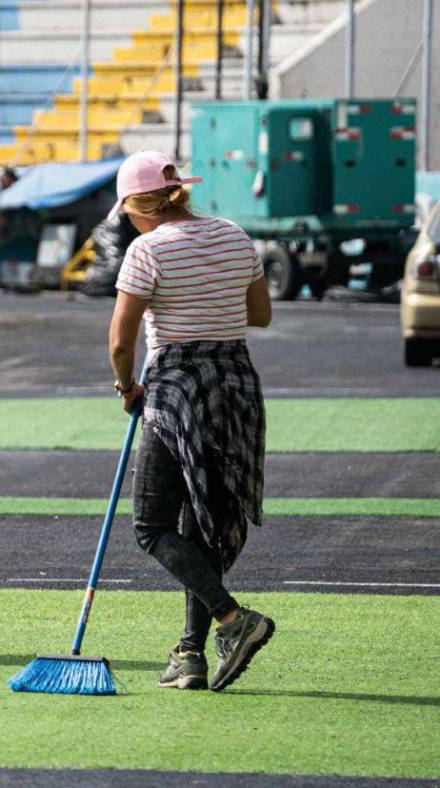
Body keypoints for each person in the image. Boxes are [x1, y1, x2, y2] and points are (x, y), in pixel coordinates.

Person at [107, 150, 274, 692]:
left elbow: (119, 342)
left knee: (151, 527)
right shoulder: (233, 234)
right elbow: (260, 314)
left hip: (178, 387)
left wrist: (128, 386)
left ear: (138, 206)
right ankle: (190, 655)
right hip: (237, 385)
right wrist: (212, 295)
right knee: (202, 527)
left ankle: (233, 619)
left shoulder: (146, 250)